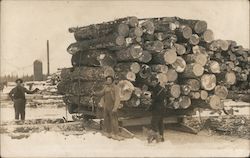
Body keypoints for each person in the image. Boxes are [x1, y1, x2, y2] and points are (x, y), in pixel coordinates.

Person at [93, 76, 122, 140]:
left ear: (112, 81)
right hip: (106, 106)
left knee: (114, 120)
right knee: (107, 119)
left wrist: (115, 107)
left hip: (112, 106)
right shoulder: (106, 87)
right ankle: (109, 133)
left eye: (109, 80)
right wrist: (95, 93)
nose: (108, 81)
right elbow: (101, 93)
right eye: (107, 80)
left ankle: (116, 134)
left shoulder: (115, 88)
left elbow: (118, 98)